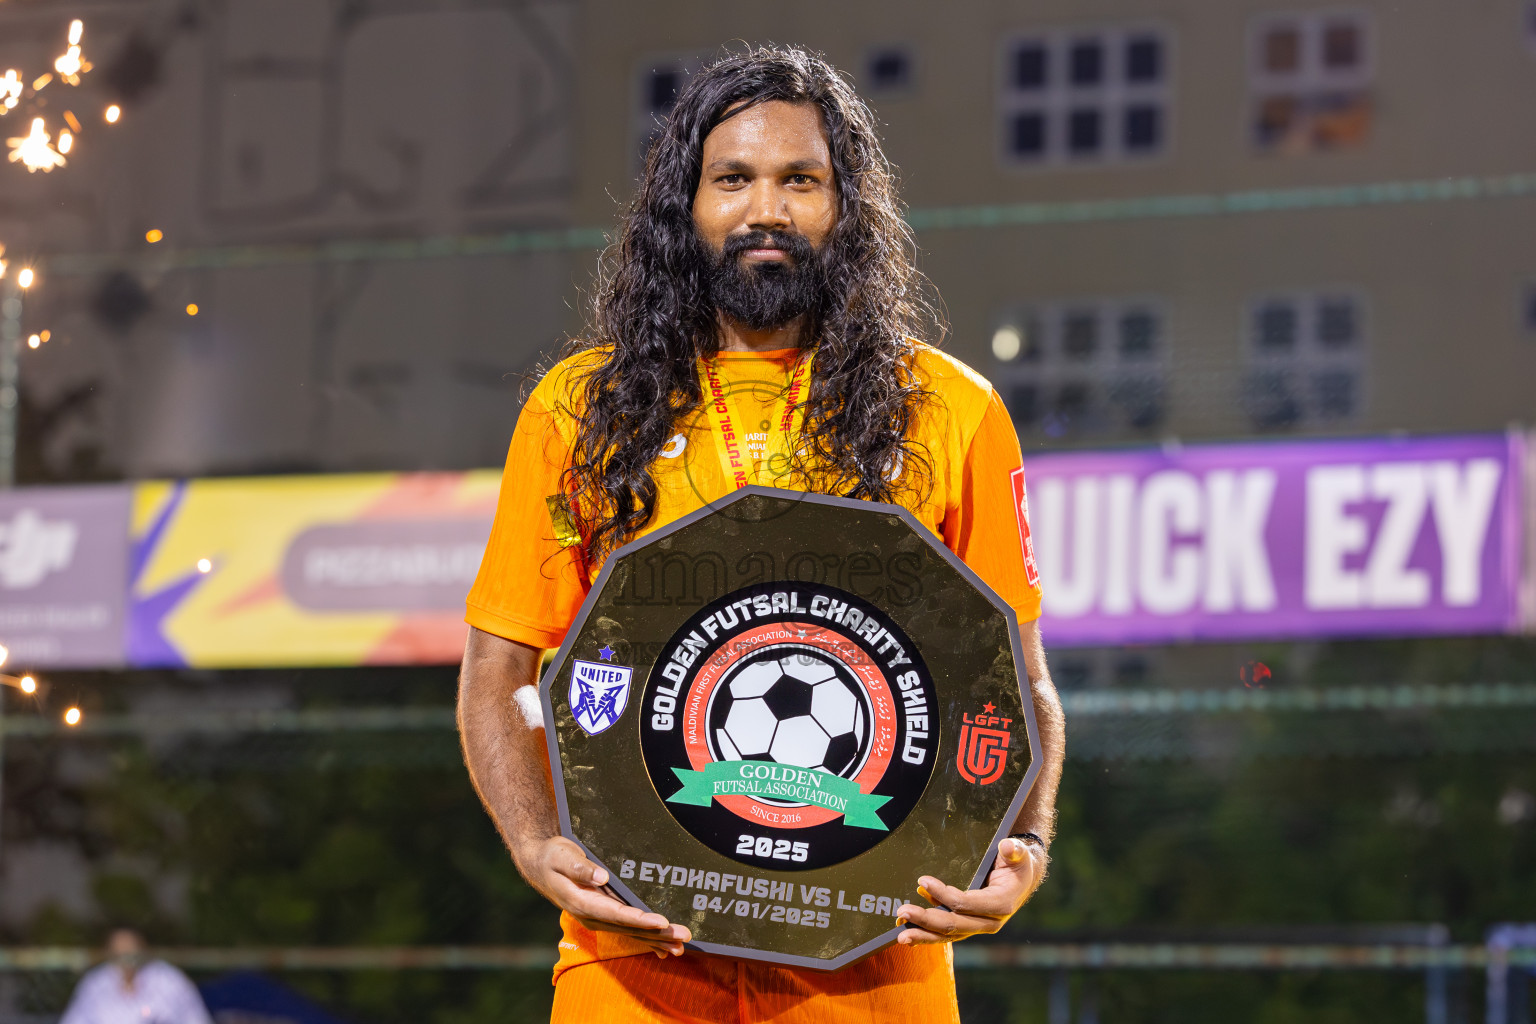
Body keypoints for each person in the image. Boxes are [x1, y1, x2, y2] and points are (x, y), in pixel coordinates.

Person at [459, 45, 1065, 1023]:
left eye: (801, 180)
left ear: (847, 206)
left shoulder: (952, 412)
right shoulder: (582, 411)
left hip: (875, 957)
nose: (766, 210)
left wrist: (1024, 848)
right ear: (684, 207)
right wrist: (533, 840)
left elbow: (1020, 678)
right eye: (732, 179)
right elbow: (497, 671)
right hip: (635, 950)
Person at [59, 928, 212, 1024]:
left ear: (143, 949)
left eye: (130, 949)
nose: (125, 956)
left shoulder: (169, 981)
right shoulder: (95, 984)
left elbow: (196, 1018)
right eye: (118, 951)